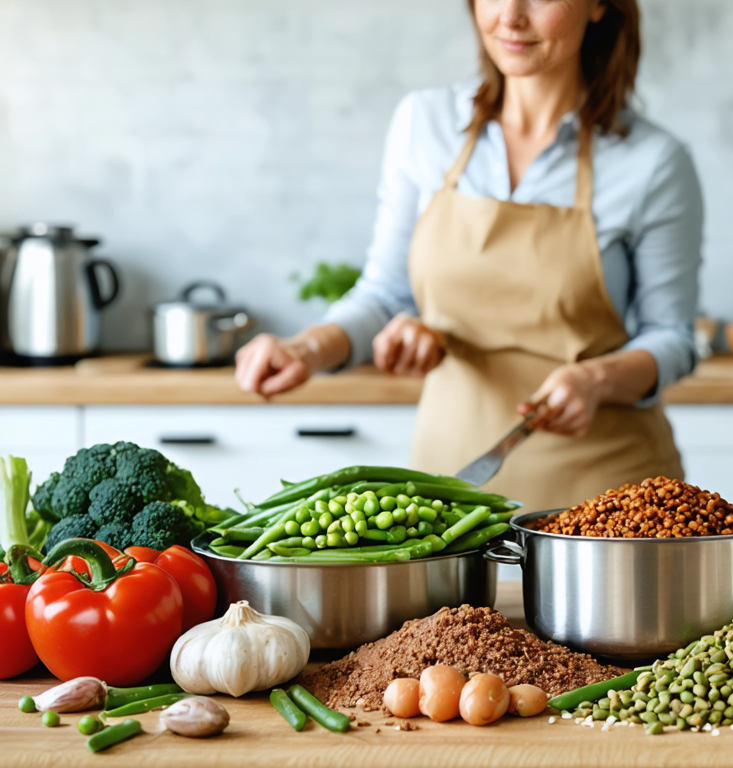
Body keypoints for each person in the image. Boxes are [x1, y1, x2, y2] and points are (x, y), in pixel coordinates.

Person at [235, 0, 702, 511]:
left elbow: (671, 337)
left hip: (607, 500)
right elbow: (386, 293)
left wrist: (596, 379)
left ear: (597, 7)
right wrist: (306, 349)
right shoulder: (425, 124)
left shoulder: (653, 162)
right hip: (448, 489)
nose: (511, 15)